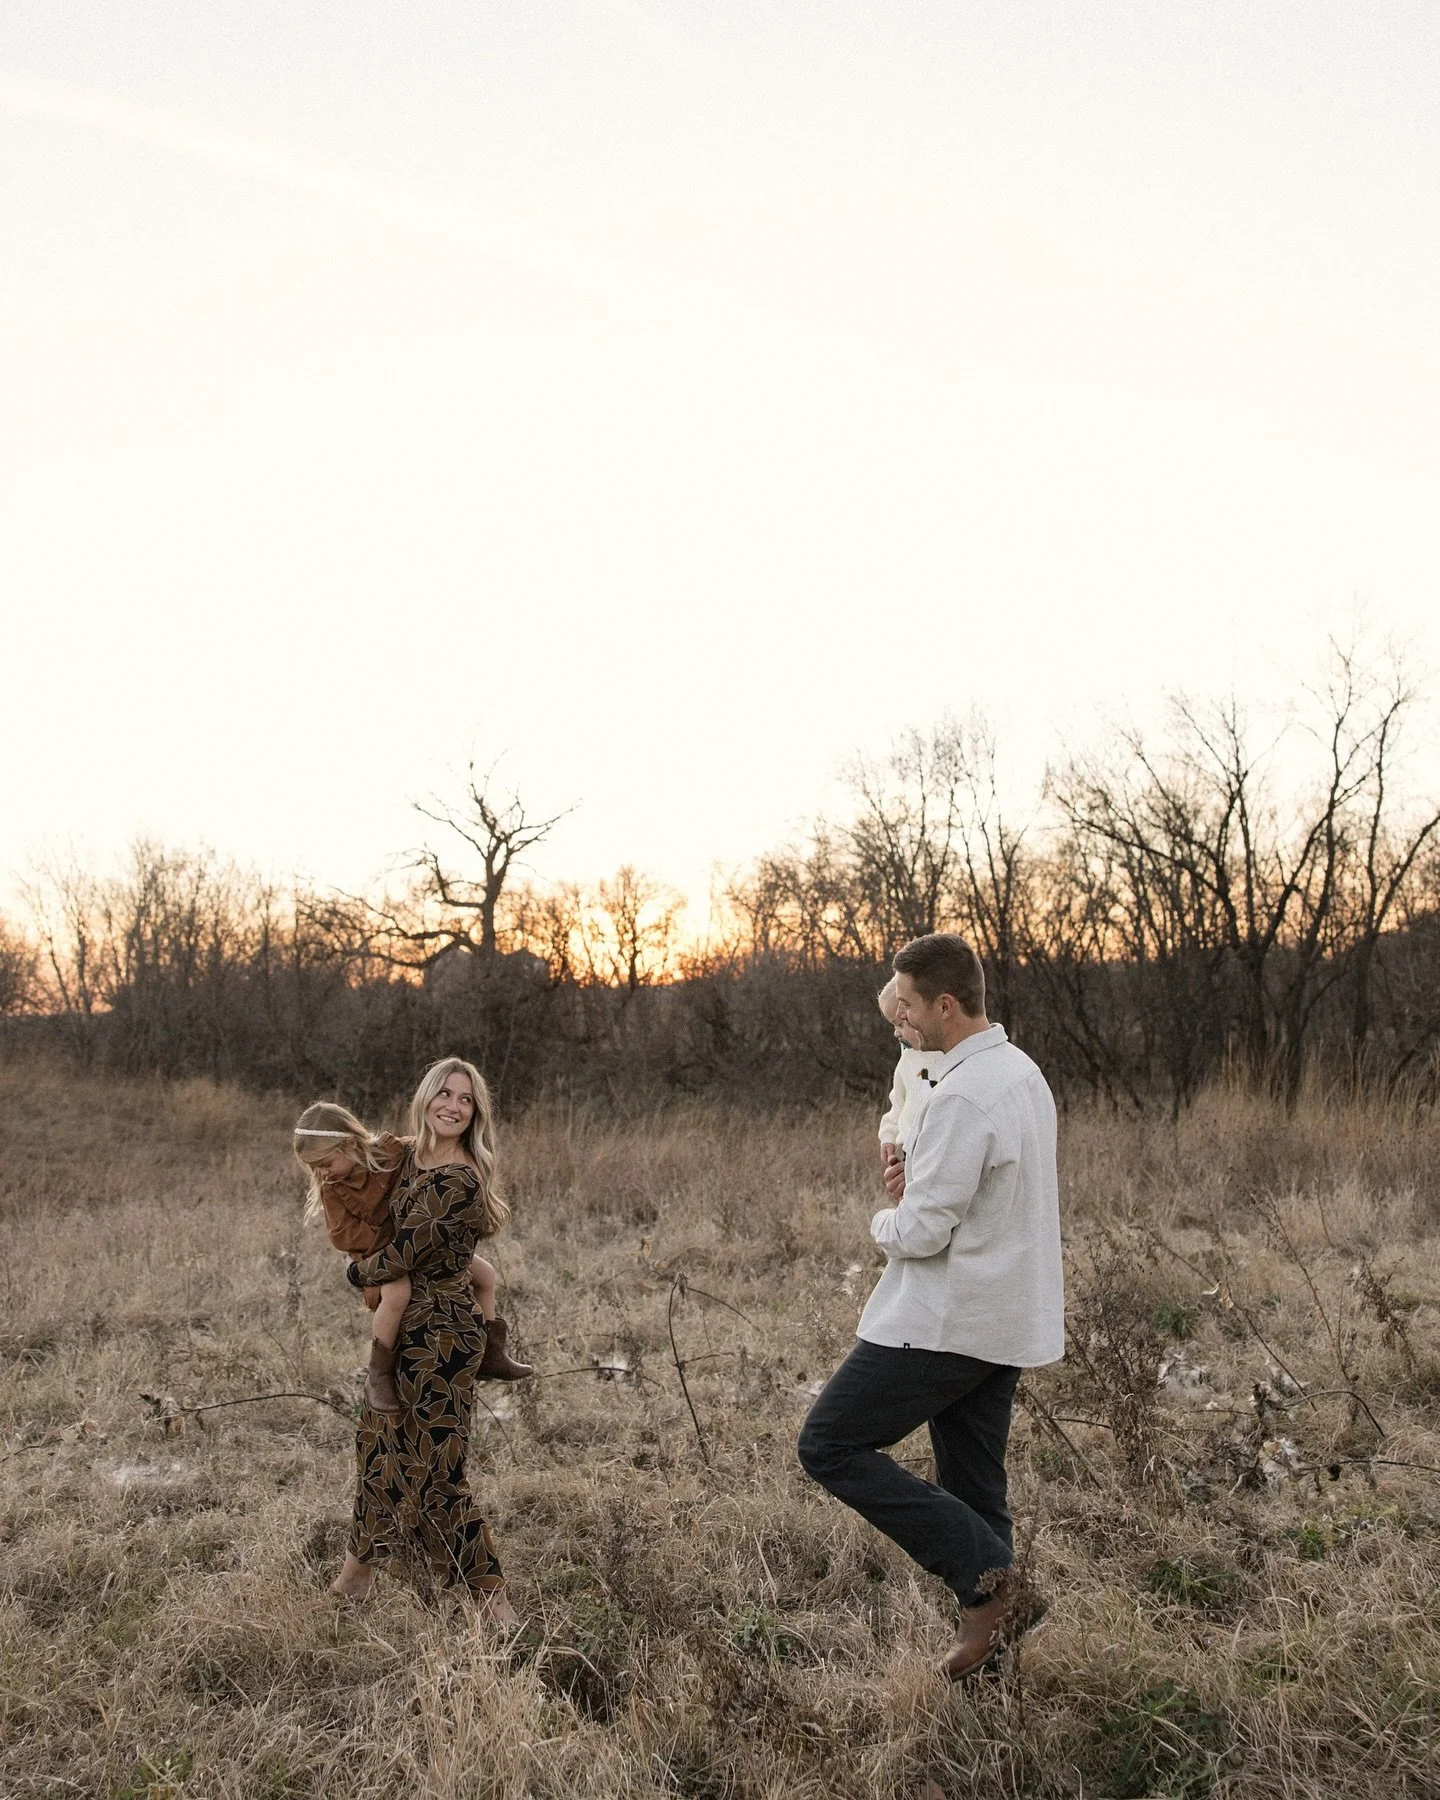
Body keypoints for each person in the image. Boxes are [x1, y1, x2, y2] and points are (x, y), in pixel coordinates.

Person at [798, 933, 1064, 1681]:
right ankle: (993, 1664)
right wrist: (918, 1176)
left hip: (950, 1318)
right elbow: (983, 1193)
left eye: (909, 1007)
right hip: (1005, 1317)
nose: (902, 1022)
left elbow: (921, 1230)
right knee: (976, 1489)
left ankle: (994, 1589)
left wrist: (887, 1214)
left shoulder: (964, 1095)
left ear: (946, 1004)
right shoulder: (1022, 1074)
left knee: (829, 1445)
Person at [328, 1056, 519, 1625]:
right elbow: (347, 1157)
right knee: (378, 1453)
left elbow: (406, 1253)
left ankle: (496, 1605)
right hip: (402, 1334)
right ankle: (354, 1580)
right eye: (445, 1094)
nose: (453, 1106)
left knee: (437, 1475)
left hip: (442, 1337)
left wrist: (356, 1275)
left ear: (476, 1112)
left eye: (465, 1099)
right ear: (426, 1097)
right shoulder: (411, 1155)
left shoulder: (457, 1178)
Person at [293, 1101, 532, 1411]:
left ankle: (492, 1353)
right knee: (398, 1291)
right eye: (315, 1168)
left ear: (349, 1144)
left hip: (418, 1245)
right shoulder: (334, 1188)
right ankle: (378, 1373)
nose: (321, 1173)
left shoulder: (390, 1153)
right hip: (376, 1256)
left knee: (485, 1274)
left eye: (324, 1163)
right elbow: (343, 1236)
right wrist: (392, 1243)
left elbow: (421, 1152)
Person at [876, 974, 928, 1171]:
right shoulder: (907, 1061)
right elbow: (898, 1103)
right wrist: (888, 1135)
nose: (896, 1033)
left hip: (933, 1152)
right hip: (910, 1152)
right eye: (893, 1025)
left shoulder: (947, 1058)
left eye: (900, 1024)